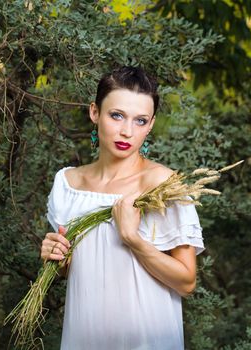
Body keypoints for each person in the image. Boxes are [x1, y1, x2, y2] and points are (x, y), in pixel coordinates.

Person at [40, 66, 205, 350]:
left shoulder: (163, 185)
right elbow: (78, 269)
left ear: (151, 125)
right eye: (117, 116)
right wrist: (56, 259)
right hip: (85, 336)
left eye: (140, 121)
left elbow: (187, 282)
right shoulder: (67, 184)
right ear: (95, 112)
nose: (127, 131)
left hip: (148, 340)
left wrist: (132, 238)